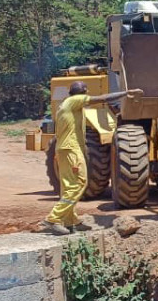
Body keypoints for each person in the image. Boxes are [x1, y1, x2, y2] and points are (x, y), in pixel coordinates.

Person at [40, 81, 142, 235]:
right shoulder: (74, 101)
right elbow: (102, 99)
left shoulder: (68, 104)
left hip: (64, 150)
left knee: (69, 186)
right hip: (72, 150)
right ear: (83, 92)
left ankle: (70, 221)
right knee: (79, 184)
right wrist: (126, 93)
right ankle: (53, 218)